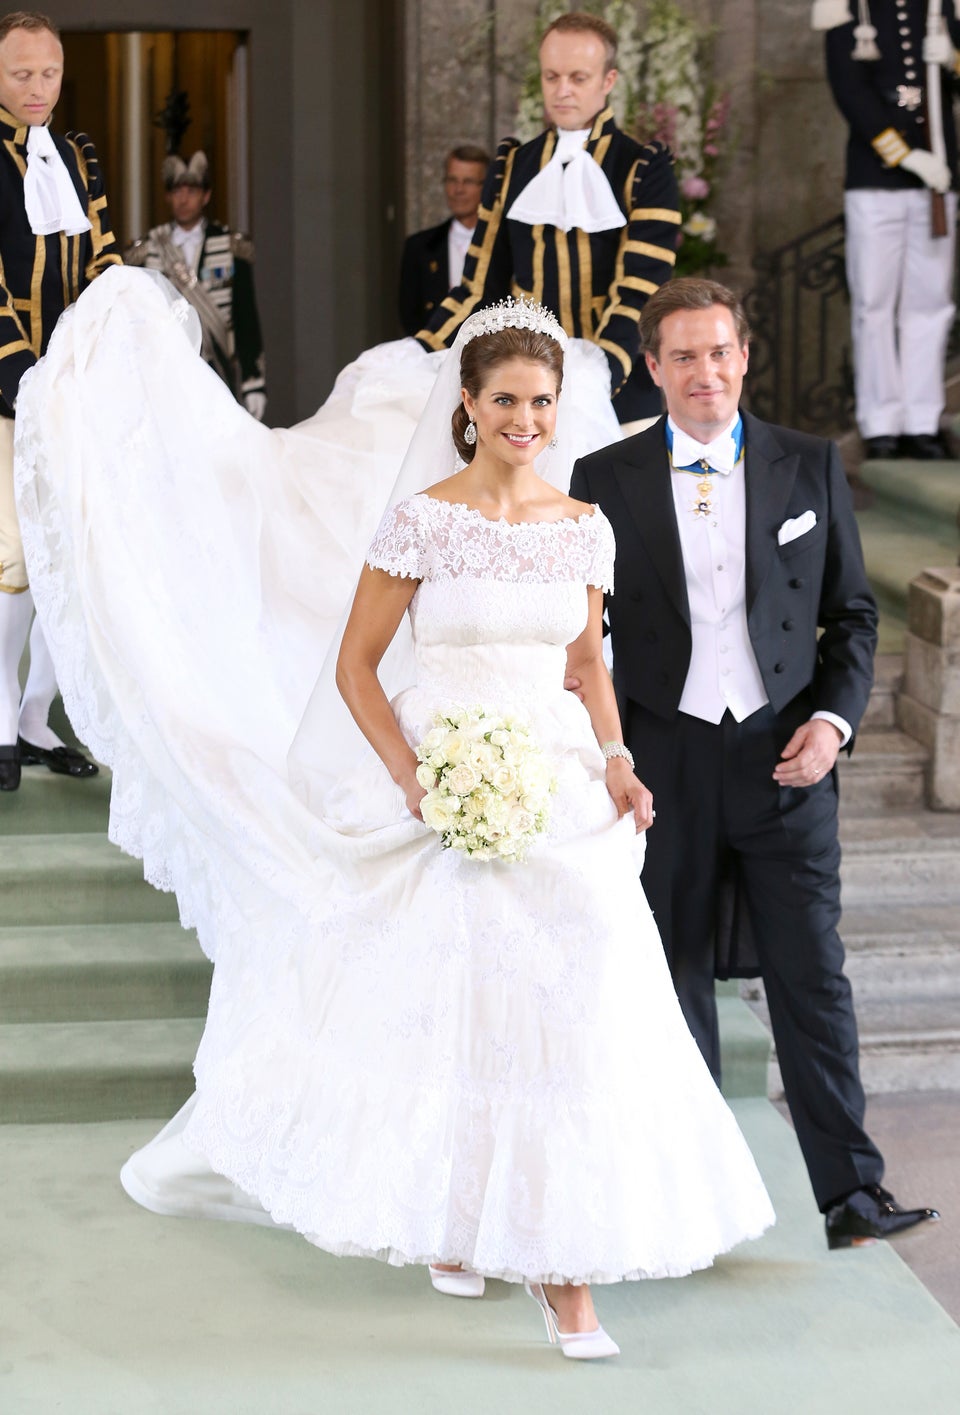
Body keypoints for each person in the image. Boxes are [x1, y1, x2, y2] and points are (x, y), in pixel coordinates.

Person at [16, 281, 774, 1358]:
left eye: (542, 402)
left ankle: (561, 1264)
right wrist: (417, 774)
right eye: (505, 400)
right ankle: (473, 1231)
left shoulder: (584, 527)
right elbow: (357, 667)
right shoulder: (421, 519)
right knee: (463, 1001)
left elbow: (585, 663)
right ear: (467, 403)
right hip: (453, 772)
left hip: (561, 785)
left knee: (579, 1004)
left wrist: (617, 760)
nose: (525, 421)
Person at [569, 276, 939, 1250]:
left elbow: (853, 616)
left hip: (786, 756)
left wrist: (833, 721)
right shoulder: (602, 478)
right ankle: (686, 1202)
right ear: (653, 368)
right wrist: (608, 753)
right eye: (682, 356)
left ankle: (851, 1193)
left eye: (719, 351)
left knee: (812, 971)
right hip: (663, 762)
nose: (704, 372)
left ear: (745, 356)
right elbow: (581, 637)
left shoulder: (809, 465)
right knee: (671, 976)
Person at [415, 10, 680, 431]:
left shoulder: (642, 168)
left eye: (578, 78)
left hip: (619, 393)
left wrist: (598, 372)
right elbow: (480, 285)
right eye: (551, 77)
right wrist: (421, 349)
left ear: (608, 81)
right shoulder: (514, 167)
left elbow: (640, 291)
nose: (562, 91)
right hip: (519, 388)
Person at [0, 8, 119, 791]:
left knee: (71, 557)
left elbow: (103, 257)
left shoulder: (78, 155)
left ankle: (38, 716)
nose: (37, 88)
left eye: (48, 73)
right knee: (12, 557)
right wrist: (23, 378)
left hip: (74, 388)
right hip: (7, 387)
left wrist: (112, 338)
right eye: (20, 74)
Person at [816, 0, 960, 459]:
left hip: (938, 178)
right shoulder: (848, 8)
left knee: (930, 303)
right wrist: (905, 155)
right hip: (876, 179)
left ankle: (921, 419)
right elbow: (849, 90)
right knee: (874, 304)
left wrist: (952, 59)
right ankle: (880, 422)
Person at [125, 150, 267, 419]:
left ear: (206, 195)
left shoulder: (230, 246)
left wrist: (253, 382)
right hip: (165, 374)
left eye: (192, 190)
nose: (184, 198)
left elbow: (245, 315)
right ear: (168, 196)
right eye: (177, 190)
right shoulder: (149, 249)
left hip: (218, 371)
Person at [398, 143, 490, 336]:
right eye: (452, 180)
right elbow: (409, 314)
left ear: (487, 187)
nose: (458, 190)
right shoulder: (420, 246)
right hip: (434, 355)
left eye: (468, 182)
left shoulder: (503, 246)